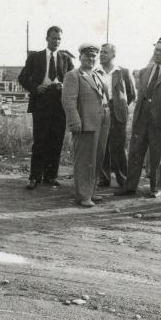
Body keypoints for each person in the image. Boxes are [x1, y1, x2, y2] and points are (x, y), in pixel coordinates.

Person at [117, 38, 161, 198]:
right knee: (135, 152)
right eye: (156, 50)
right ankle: (130, 186)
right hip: (142, 117)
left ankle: (156, 187)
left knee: (159, 155)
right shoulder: (145, 70)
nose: (158, 53)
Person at [18, 26, 74, 190]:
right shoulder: (35, 57)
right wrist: (35, 88)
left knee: (56, 140)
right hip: (41, 101)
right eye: (53, 38)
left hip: (59, 102)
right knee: (40, 140)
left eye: (59, 39)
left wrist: (63, 85)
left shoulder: (65, 58)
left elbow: (73, 80)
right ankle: (34, 177)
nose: (56, 41)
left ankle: (51, 176)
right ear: (47, 38)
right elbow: (22, 78)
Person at [61, 43, 111, 207]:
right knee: (84, 160)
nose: (91, 58)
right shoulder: (73, 75)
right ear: (80, 57)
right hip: (85, 124)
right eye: (87, 55)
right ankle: (83, 195)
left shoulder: (97, 75)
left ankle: (91, 191)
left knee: (97, 158)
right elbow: (68, 101)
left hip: (101, 122)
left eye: (93, 56)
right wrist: (75, 121)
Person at [96, 43, 137, 189]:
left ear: (113, 55)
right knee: (103, 145)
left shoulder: (123, 72)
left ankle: (122, 178)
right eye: (100, 52)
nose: (101, 54)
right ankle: (104, 178)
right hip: (102, 111)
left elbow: (132, 94)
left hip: (118, 112)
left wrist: (121, 106)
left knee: (119, 147)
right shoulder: (96, 72)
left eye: (105, 52)